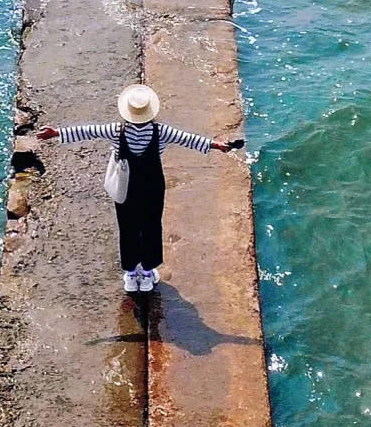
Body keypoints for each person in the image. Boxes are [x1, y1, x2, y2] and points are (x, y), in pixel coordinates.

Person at [36, 83, 244, 293]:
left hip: (125, 188)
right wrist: (218, 145)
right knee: (151, 226)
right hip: (152, 186)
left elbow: (87, 131)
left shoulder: (115, 131)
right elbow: (189, 139)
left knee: (128, 228)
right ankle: (146, 274)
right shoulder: (161, 132)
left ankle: (130, 274)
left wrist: (55, 133)